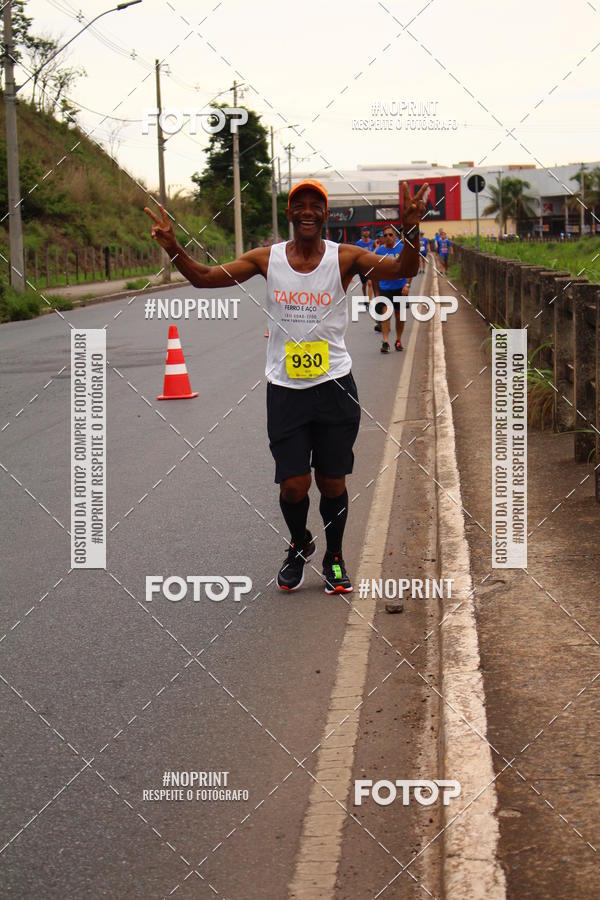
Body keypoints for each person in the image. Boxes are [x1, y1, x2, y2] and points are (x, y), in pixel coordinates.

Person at [145, 179, 427, 594]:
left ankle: (334, 556)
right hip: (285, 389)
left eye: (316, 205)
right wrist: (172, 246)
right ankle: (299, 542)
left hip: (334, 386)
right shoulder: (267, 259)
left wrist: (412, 229)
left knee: (333, 483)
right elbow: (205, 278)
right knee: (294, 485)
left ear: (326, 215)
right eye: (300, 205)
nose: (308, 211)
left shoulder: (345, 257)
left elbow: (405, 269)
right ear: (290, 214)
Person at [375, 226, 411, 352]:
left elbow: (409, 268)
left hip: (400, 288)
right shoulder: (379, 252)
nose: (388, 237)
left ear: (395, 236)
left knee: (400, 317)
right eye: (385, 235)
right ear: (382, 238)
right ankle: (385, 342)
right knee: (386, 314)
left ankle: (398, 340)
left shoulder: (402, 249)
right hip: (385, 288)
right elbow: (375, 272)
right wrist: (377, 291)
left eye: (390, 235)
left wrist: (407, 285)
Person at [355, 226, 375, 302]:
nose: (366, 232)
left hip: (370, 266)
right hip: (362, 267)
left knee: (370, 283)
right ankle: (365, 298)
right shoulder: (358, 243)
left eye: (367, 231)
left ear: (369, 232)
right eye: (364, 231)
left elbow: (375, 253)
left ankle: (369, 301)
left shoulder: (373, 242)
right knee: (364, 284)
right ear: (362, 232)